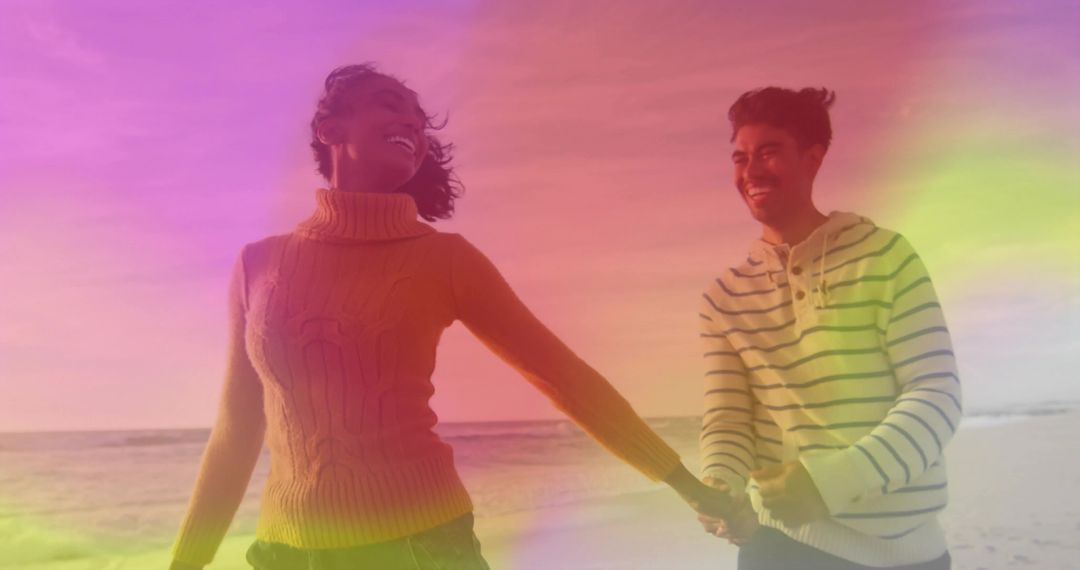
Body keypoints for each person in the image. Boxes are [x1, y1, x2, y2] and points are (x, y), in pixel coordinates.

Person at [168, 63, 732, 570]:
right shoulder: (257, 264)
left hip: (422, 548)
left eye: (419, 121)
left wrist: (686, 485)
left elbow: (563, 378)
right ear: (330, 129)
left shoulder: (445, 259)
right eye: (391, 105)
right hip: (286, 554)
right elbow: (237, 432)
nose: (413, 125)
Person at [696, 87, 961, 569]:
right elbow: (729, 421)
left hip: (911, 553)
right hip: (782, 547)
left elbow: (936, 394)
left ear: (812, 159)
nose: (750, 171)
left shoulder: (885, 256)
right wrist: (720, 483)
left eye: (769, 153)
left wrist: (831, 483)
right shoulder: (724, 298)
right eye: (740, 157)